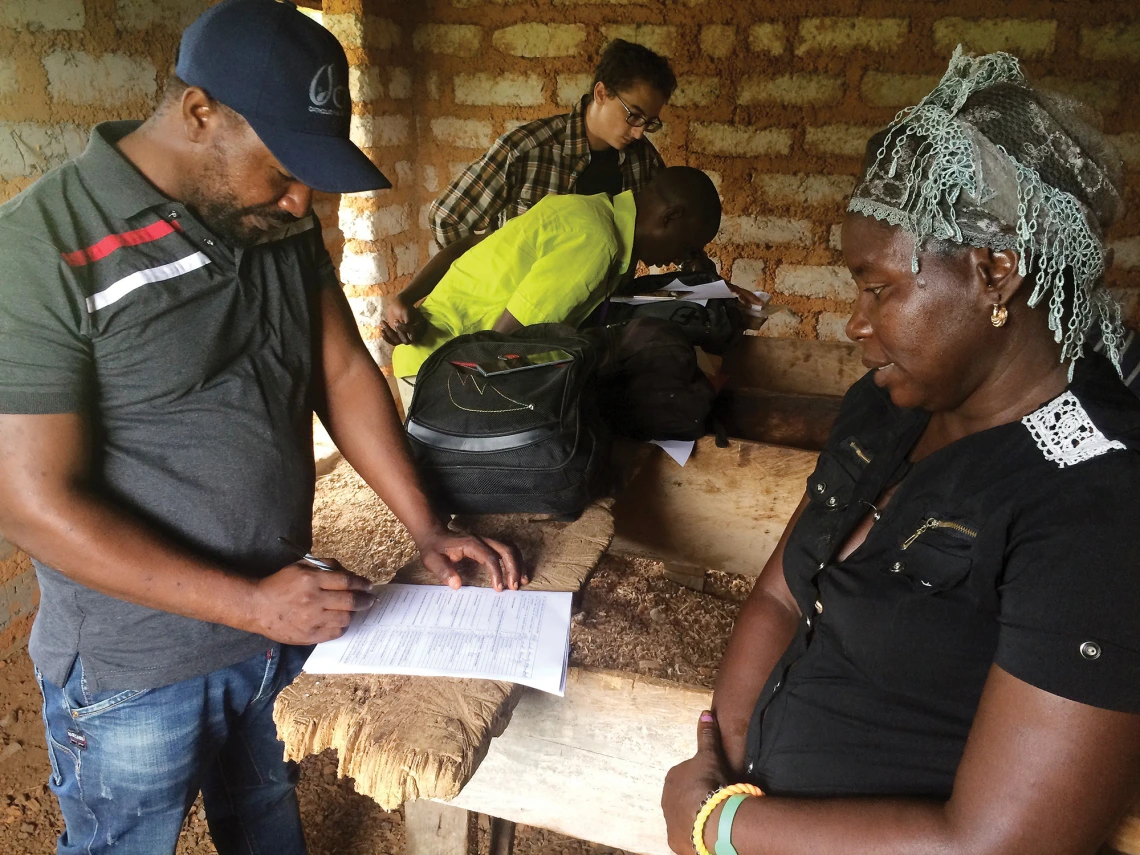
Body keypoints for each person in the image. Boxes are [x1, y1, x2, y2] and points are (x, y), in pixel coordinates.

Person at [0, 2, 521, 854]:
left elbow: (343, 371)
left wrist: (427, 526)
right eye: (283, 167)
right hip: (140, 664)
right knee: (122, 840)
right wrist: (250, 601)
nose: (300, 196)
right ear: (198, 112)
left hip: (280, 618)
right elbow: (29, 502)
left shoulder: (277, 219)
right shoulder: (40, 251)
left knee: (268, 814)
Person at [662, 48, 1140, 855]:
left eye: (879, 288)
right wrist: (730, 762)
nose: (855, 321)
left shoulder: (1096, 501)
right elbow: (782, 594)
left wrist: (725, 828)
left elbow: (992, 844)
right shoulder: (889, 409)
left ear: (996, 273)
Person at [381, 38, 678, 346]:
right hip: (512, 330)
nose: (640, 131)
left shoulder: (645, 162)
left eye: (651, 123)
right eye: (634, 115)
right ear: (602, 93)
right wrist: (485, 272)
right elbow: (448, 218)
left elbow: (667, 226)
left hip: (596, 325)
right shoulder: (527, 149)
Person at [389, 166, 722, 410]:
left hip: (441, 358)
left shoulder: (594, 212)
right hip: (445, 376)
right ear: (670, 217)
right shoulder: (595, 242)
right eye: (688, 247)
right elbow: (498, 350)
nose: (678, 260)